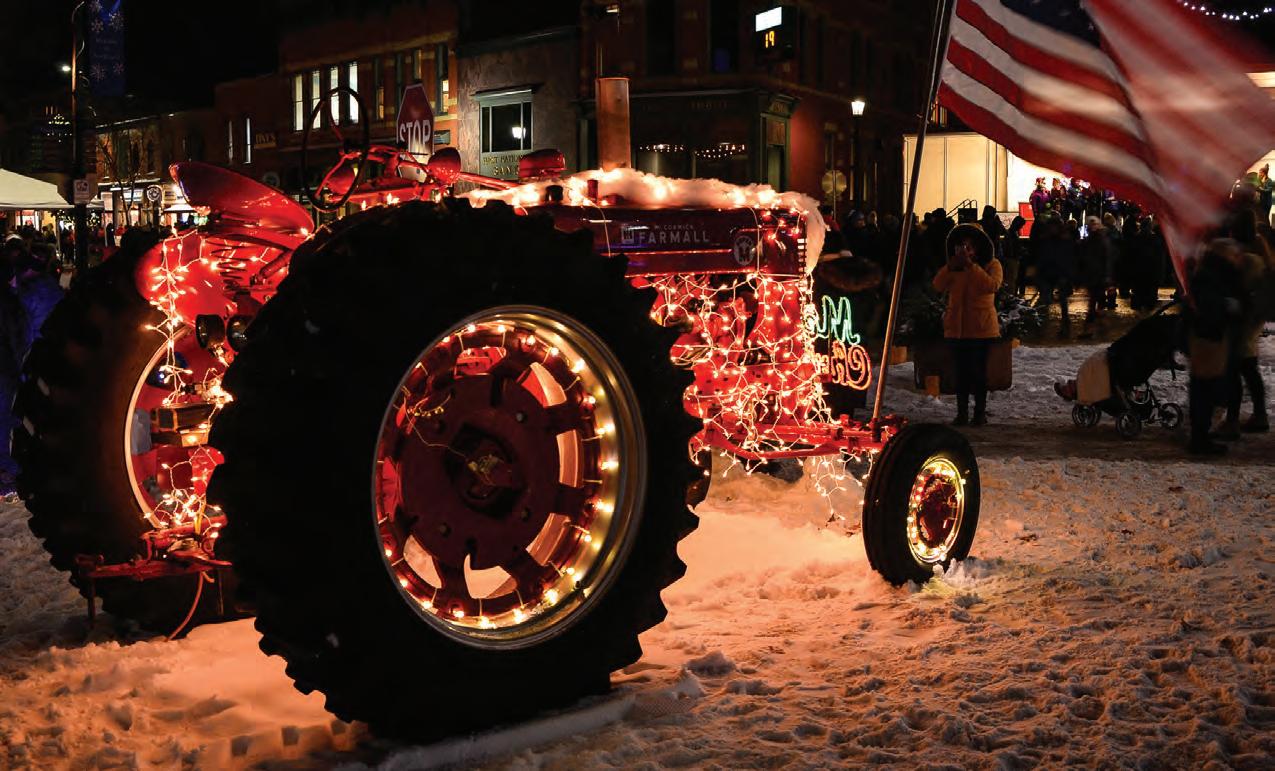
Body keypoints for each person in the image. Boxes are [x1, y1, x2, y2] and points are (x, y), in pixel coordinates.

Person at [933, 224, 1003, 426]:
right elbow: (937, 285)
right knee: (960, 374)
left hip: (981, 329)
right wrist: (950, 267)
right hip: (957, 329)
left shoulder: (992, 264)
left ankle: (979, 413)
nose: (965, 251)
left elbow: (991, 286)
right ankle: (961, 413)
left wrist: (971, 267)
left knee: (979, 373)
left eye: (969, 247)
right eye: (962, 246)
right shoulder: (954, 267)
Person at [1186, 239, 1245, 455]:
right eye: (1234, 254)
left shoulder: (1210, 272)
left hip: (1209, 336)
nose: (1238, 259)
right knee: (1204, 388)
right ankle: (1199, 437)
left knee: (1205, 388)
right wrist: (1227, 307)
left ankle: (1201, 434)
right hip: (1209, 338)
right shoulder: (1212, 275)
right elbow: (1208, 306)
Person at [1219, 209, 1272, 435]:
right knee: (1249, 368)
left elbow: (1238, 290)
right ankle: (1259, 415)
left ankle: (1232, 421)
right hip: (1251, 319)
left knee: (1235, 370)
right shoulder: (1259, 253)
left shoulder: (1247, 259)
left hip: (1242, 320)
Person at [1033, 217, 1076, 338]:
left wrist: (1067, 275)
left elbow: (1069, 258)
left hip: (1059, 273)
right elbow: (1042, 257)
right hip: (1049, 273)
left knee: (1060, 301)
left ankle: (1063, 326)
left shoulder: (1062, 240)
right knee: (1047, 300)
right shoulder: (1048, 239)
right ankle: (1042, 326)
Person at [1002, 215, 1027, 296]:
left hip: (1010, 258)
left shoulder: (1010, 232)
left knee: (1011, 278)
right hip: (1012, 258)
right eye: (1021, 225)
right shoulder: (1013, 234)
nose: (1021, 227)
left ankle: (1011, 294)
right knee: (1012, 279)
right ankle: (1011, 295)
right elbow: (1013, 247)